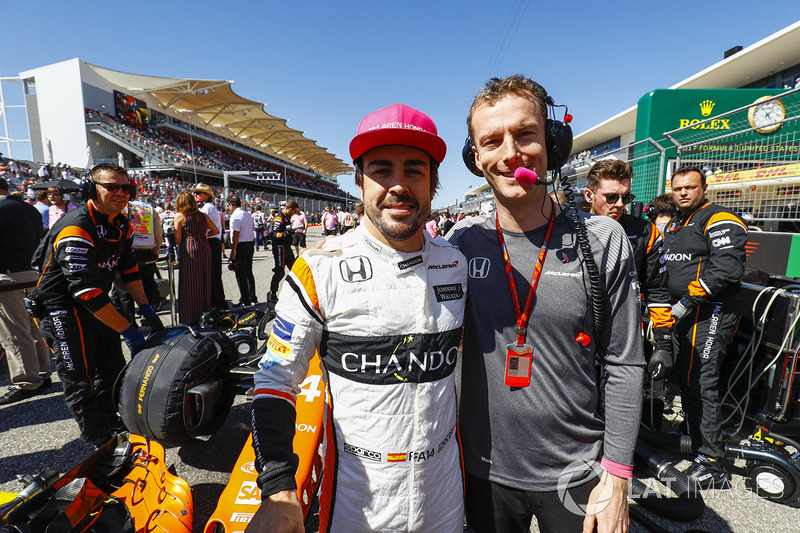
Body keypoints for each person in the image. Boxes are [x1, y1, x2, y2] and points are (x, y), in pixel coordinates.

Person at [247, 103, 467, 533]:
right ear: (360, 182)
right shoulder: (317, 269)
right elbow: (275, 380)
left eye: (415, 171)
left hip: (444, 495)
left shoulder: (457, 264)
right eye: (382, 170)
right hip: (358, 501)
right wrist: (277, 487)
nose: (398, 185)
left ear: (433, 184)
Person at [448, 75, 643, 533]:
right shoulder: (458, 245)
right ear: (475, 158)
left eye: (525, 134)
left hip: (578, 471)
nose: (510, 152)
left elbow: (625, 363)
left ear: (553, 143)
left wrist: (617, 478)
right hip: (481, 470)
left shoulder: (601, 239)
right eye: (492, 141)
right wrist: (334, 251)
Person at [33, 164, 160, 448]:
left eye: (126, 187)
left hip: (97, 304)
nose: (120, 193)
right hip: (62, 309)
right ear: (92, 190)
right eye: (111, 186)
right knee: (80, 377)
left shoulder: (122, 224)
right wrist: (129, 330)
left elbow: (129, 270)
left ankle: (115, 421)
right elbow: (85, 291)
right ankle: (98, 438)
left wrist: (146, 308)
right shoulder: (75, 227)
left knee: (112, 367)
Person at [662, 165, 748, 488]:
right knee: (686, 378)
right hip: (682, 315)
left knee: (700, 380)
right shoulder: (675, 222)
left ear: (704, 189)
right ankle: (695, 439)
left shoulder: (718, 217)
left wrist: (687, 301)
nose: (683, 192)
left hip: (711, 310)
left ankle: (714, 463)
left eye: (690, 187)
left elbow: (728, 267)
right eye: (677, 188)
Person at [584, 159, 673, 381]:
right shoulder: (569, 226)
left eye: (627, 197)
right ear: (589, 196)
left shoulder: (645, 231)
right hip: (577, 334)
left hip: (623, 334)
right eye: (612, 197)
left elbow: (657, 288)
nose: (620, 204)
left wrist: (663, 342)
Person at [0, 179, 52, 405]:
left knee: (14, 332)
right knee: (33, 327)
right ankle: (42, 372)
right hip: (31, 274)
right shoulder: (29, 209)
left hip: (8, 276)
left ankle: (27, 380)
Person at [174, 190, 217, 324]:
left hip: (190, 247)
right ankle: (205, 314)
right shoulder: (203, 216)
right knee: (205, 280)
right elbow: (216, 230)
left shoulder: (180, 216)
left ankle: (189, 317)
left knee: (189, 283)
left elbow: (178, 239)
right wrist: (203, 237)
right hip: (204, 246)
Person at [192, 184, 226, 310]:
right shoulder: (209, 207)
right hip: (213, 242)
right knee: (213, 273)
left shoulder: (207, 208)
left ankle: (217, 302)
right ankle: (217, 301)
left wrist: (203, 236)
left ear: (207, 195)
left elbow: (210, 229)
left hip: (211, 242)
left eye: (199, 193)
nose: (196, 195)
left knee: (212, 273)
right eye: (196, 193)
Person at [266, 200, 299, 304]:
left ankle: (297, 292)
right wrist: (285, 233)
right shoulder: (279, 218)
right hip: (280, 248)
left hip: (287, 247)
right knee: (279, 271)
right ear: (290, 209)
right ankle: (273, 293)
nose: (295, 214)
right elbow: (273, 234)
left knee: (295, 270)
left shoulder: (287, 217)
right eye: (294, 211)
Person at [228, 194, 256, 306]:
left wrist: (233, 250)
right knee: (248, 272)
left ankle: (244, 300)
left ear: (231, 205)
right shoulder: (247, 214)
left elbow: (236, 233)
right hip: (249, 244)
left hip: (240, 245)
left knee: (240, 274)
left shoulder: (235, 215)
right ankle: (252, 296)